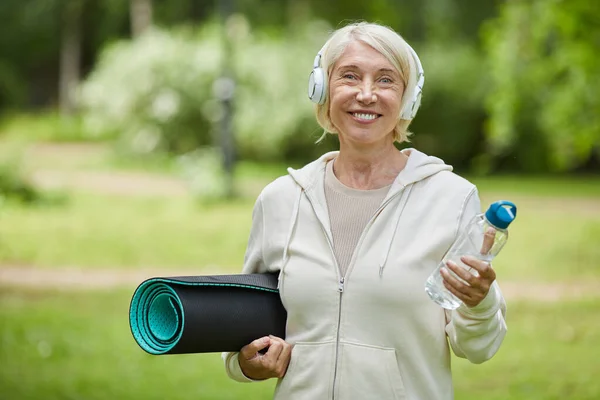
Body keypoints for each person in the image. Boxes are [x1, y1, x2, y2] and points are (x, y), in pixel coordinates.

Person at [222, 21, 507, 400]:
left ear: (408, 99)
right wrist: (243, 363)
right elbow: (246, 322)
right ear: (322, 89)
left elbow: (478, 347)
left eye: (386, 80)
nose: (366, 94)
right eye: (350, 76)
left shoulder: (451, 199)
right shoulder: (281, 200)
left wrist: (478, 301)